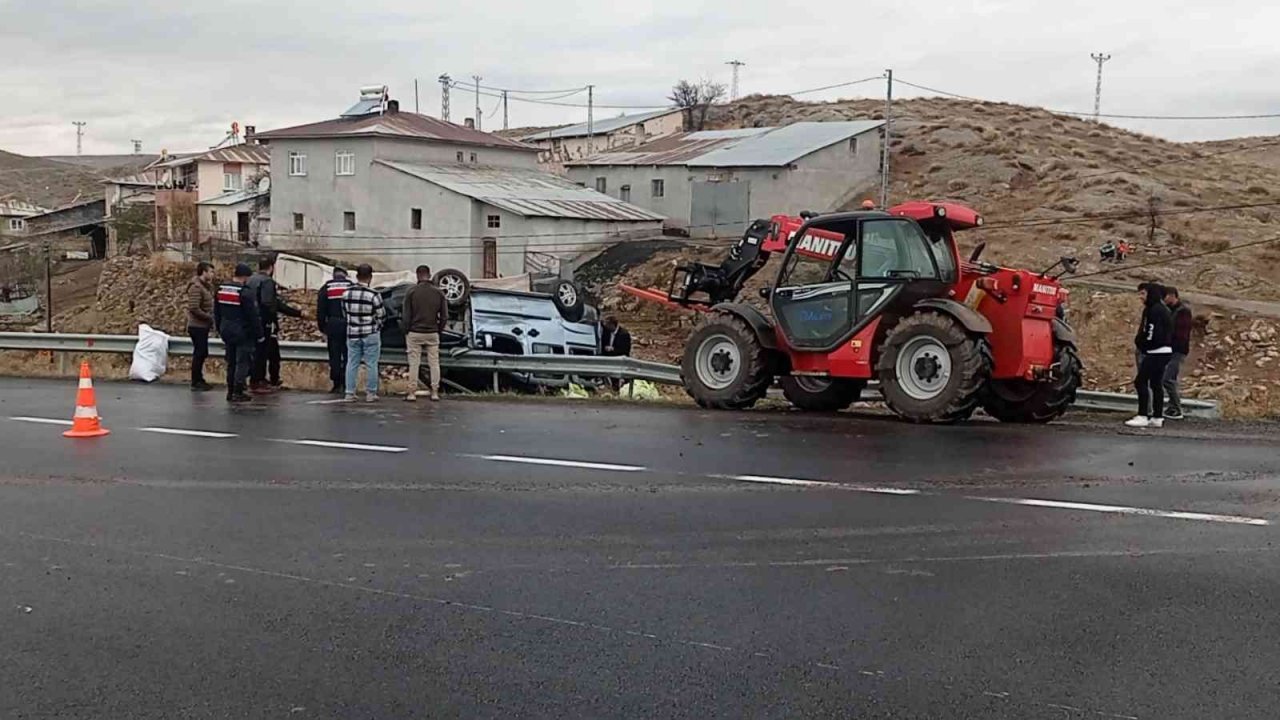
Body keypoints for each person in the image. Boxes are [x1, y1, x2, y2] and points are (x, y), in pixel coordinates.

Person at [247, 256, 303, 392]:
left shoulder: (251, 280)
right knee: (264, 353)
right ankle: (259, 380)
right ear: (271, 268)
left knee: (266, 352)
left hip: (251, 321)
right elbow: (270, 303)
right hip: (265, 323)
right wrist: (272, 321)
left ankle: (267, 379)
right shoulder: (267, 282)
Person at [1127, 282, 1174, 428]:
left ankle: (1143, 415)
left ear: (1150, 294)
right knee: (1155, 384)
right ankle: (1157, 417)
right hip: (1164, 351)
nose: (1140, 297)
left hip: (1156, 352)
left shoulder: (1153, 310)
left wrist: (1143, 344)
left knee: (1140, 381)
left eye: (1143, 293)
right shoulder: (1163, 309)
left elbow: (1151, 331)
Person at [213, 263, 263, 403]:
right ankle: (238, 391)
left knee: (231, 362)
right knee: (242, 362)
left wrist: (219, 328)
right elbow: (252, 316)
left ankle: (230, 391)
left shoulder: (221, 290)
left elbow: (216, 313)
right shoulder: (245, 292)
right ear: (245, 277)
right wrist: (259, 334)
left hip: (226, 330)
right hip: (243, 332)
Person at [401, 264, 448, 402]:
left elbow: (406, 315)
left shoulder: (411, 292)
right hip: (432, 332)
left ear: (417, 275)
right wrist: (439, 329)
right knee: (434, 363)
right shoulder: (439, 292)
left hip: (415, 332)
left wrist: (407, 330)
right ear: (429, 275)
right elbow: (444, 316)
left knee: (414, 363)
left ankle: (411, 393)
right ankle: (434, 392)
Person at [341, 264, 384, 402]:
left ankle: (349, 392)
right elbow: (381, 315)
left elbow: (344, 312)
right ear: (370, 277)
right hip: (370, 332)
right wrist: (377, 326)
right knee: (371, 363)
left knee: (352, 363)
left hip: (352, 333)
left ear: (356, 276)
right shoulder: (373, 295)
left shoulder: (346, 293)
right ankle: (371, 393)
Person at [316, 267, 352, 394]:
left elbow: (320, 310)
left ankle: (337, 383)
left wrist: (323, 327)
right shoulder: (351, 286)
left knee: (335, 355)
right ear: (345, 275)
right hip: (349, 324)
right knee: (349, 356)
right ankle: (347, 383)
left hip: (333, 324)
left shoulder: (326, 288)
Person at [1163, 287, 1193, 420]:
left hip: (1177, 350)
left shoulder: (1183, 312)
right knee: (1167, 378)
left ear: (1172, 296)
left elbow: (1181, 334)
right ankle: (1172, 407)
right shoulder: (1171, 310)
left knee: (1168, 378)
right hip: (1169, 349)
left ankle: (1176, 408)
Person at [185, 261, 215, 391]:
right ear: (204, 272)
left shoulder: (206, 287)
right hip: (197, 326)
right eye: (211, 271)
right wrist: (209, 317)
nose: (213, 274)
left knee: (202, 352)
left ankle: (199, 379)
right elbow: (194, 307)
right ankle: (196, 381)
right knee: (200, 352)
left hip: (203, 325)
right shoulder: (196, 287)